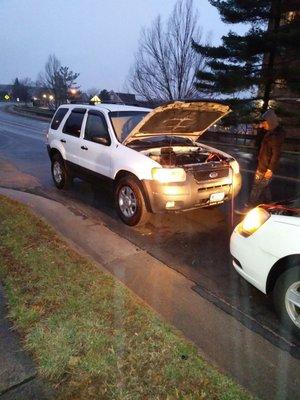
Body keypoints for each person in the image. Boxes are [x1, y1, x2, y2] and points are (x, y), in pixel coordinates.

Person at [237, 109, 285, 213]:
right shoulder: (270, 133)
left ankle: (249, 207)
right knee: (264, 187)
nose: (263, 126)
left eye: (264, 123)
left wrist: (270, 170)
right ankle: (270, 205)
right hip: (263, 165)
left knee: (256, 188)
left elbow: (276, 155)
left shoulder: (276, 136)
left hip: (266, 168)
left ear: (270, 122)